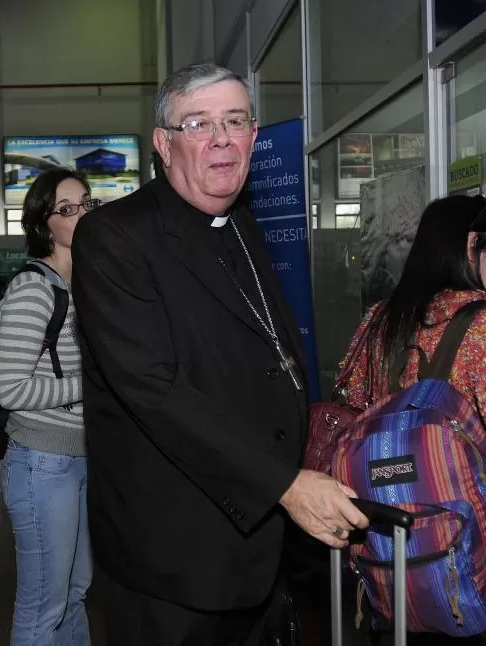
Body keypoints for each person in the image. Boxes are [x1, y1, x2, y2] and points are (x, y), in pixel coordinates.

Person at [71, 62, 369, 645]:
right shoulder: (115, 237)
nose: (221, 138)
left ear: (254, 136)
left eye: (235, 121)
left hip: (260, 545)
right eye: (199, 124)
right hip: (177, 555)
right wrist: (285, 484)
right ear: (163, 143)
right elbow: (153, 390)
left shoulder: (242, 226)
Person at [337, 195, 486, 645]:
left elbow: (351, 417)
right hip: (481, 542)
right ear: (471, 246)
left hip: (393, 542)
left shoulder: (378, 320)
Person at [0, 168, 100, 646]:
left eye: (86, 203)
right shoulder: (32, 290)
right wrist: (92, 383)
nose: (82, 214)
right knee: (42, 608)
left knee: (75, 592)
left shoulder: (78, 286)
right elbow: (12, 390)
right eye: (67, 209)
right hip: (42, 465)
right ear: (44, 224)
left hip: (77, 460)